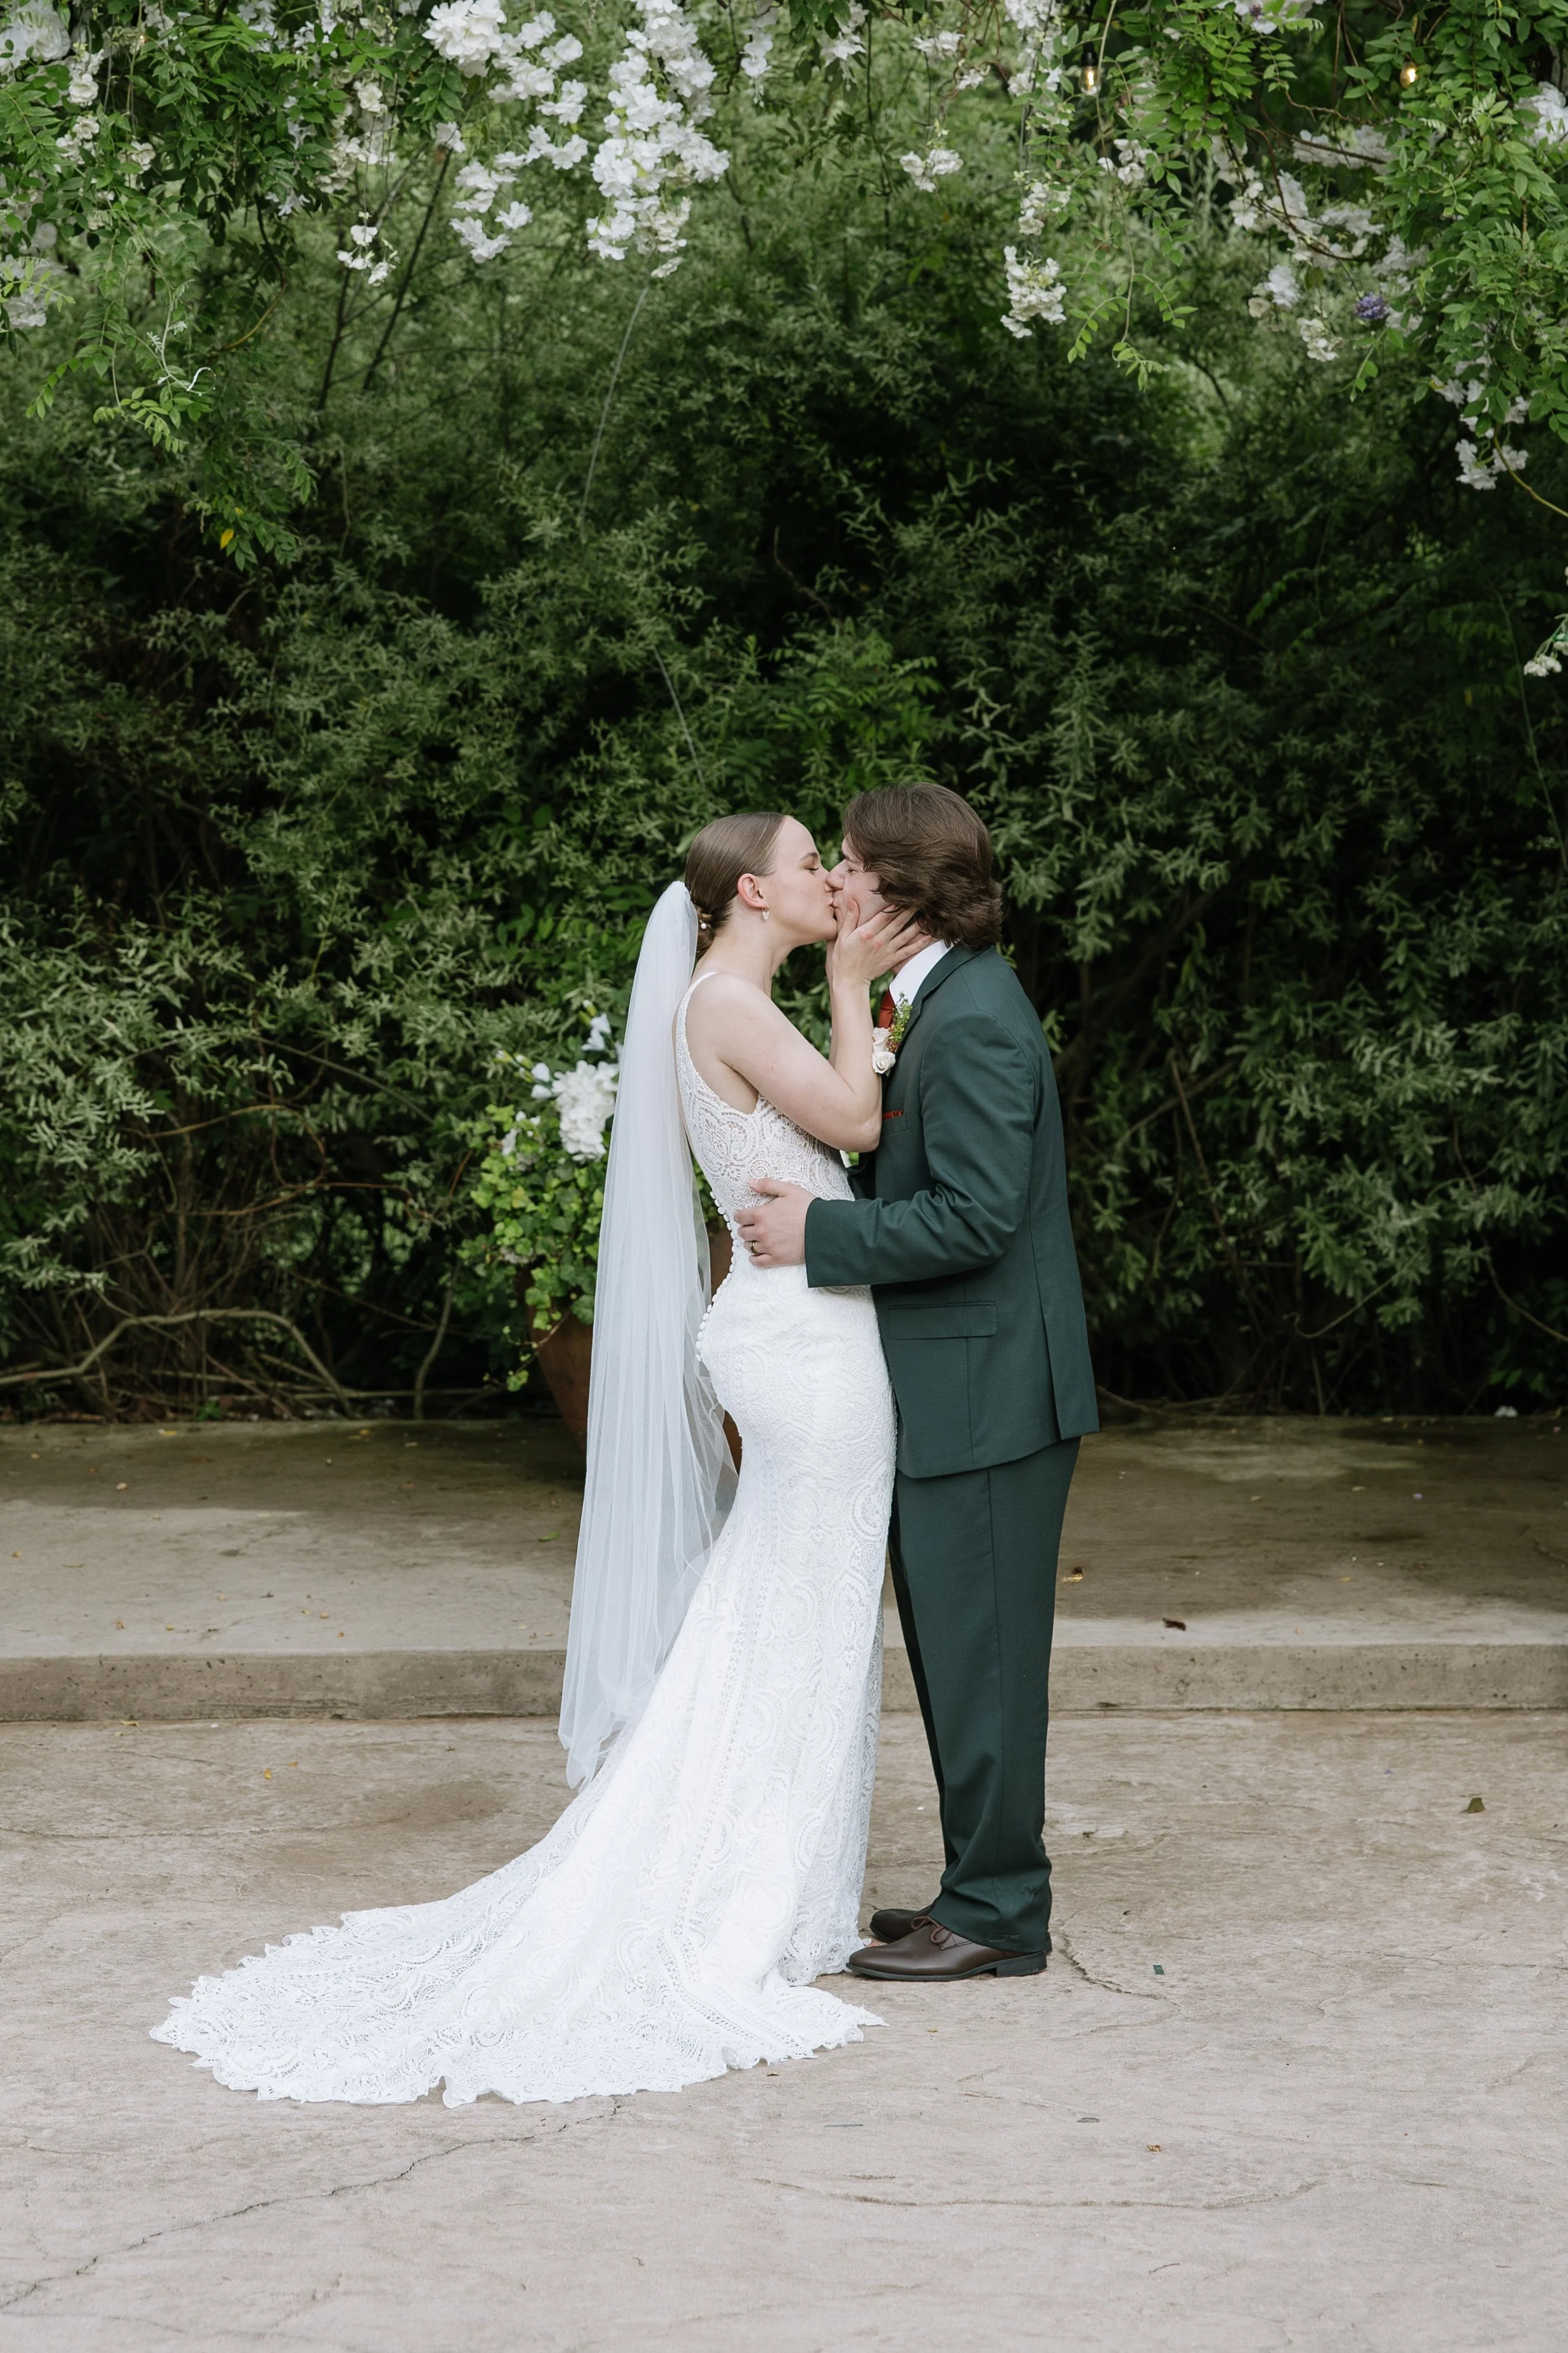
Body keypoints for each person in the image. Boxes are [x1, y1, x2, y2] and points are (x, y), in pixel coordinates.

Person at [152, 812, 922, 2105]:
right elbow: (850, 1118)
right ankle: (747, 1894)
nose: (828, 883)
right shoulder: (730, 1001)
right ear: (751, 889)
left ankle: (775, 1879)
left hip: (798, 1331)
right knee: (802, 1607)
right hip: (804, 1345)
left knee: (783, 1606)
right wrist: (855, 991)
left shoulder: (722, 1000)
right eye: (807, 863)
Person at [736, 783, 1098, 1984]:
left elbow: (981, 1216)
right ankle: (973, 1887)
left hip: (992, 1394)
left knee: (984, 1659)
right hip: (956, 1388)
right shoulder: (935, 1004)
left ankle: (998, 1912)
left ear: (895, 889)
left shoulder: (978, 1017)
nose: (832, 880)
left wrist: (820, 1241)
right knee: (959, 1650)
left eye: (844, 864)